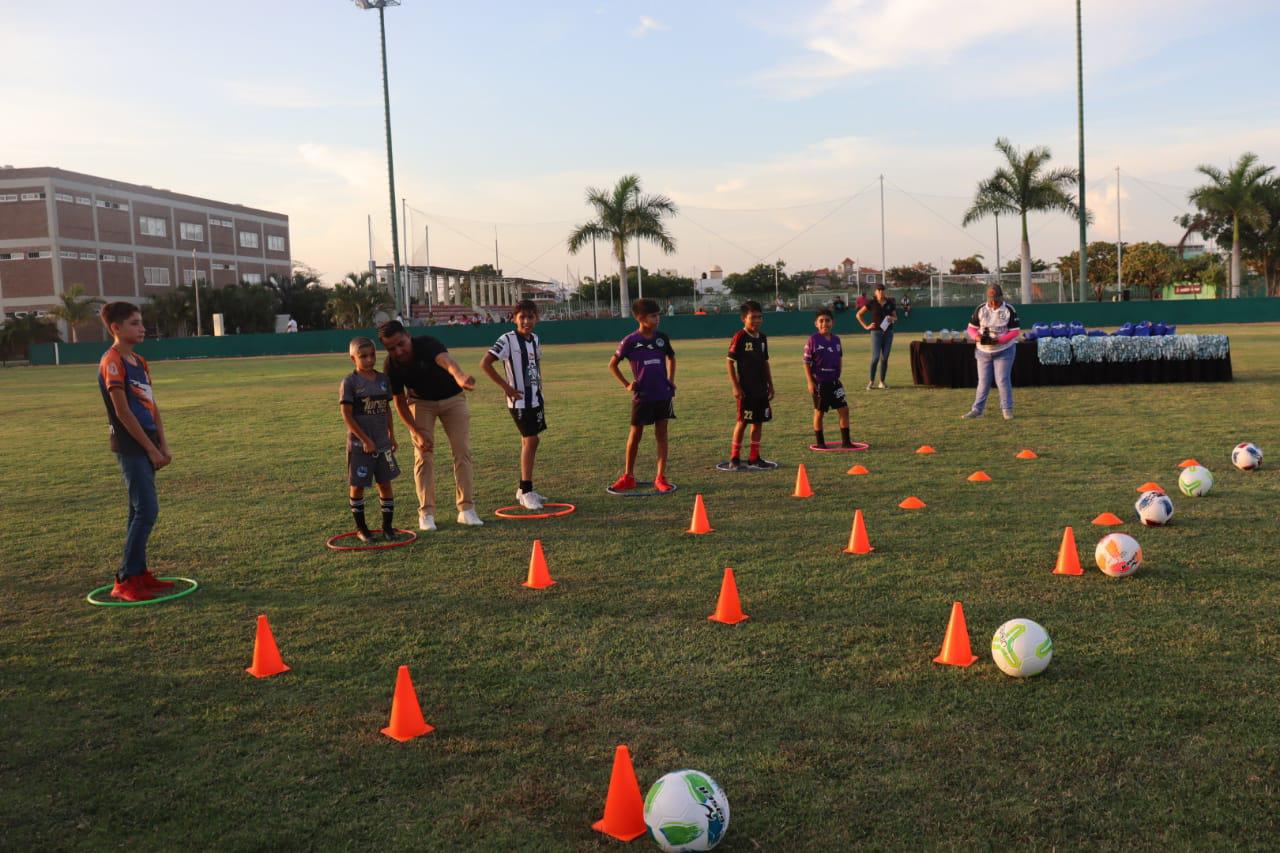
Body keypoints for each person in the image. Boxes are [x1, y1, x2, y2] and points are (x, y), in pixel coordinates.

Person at [97, 302, 172, 602]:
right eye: (134, 323)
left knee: (137, 509)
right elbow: (123, 412)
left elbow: (152, 407)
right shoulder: (112, 361)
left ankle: (139, 574)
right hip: (130, 446)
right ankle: (126, 579)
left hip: (148, 443)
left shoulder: (139, 362)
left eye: (141, 322)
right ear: (116, 328)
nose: (142, 328)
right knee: (147, 510)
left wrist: (162, 445)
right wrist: (150, 450)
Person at [378, 320, 481, 530]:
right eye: (391, 348)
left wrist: (460, 377)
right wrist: (415, 431)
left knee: (462, 451)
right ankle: (426, 513)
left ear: (408, 335)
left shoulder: (427, 344)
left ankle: (466, 509)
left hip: (453, 399)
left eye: (401, 344)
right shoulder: (391, 366)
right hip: (421, 403)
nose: (398, 351)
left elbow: (446, 361)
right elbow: (399, 402)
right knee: (423, 455)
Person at [480, 299, 548, 510]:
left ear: (536, 318)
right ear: (514, 318)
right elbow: (485, 363)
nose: (526, 321)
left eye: (530, 317)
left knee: (529, 441)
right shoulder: (507, 340)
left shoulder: (535, 339)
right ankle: (526, 491)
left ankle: (523, 488)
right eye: (522, 317)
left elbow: (535, 365)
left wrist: (539, 387)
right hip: (519, 401)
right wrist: (506, 387)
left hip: (535, 399)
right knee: (532, 440)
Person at [608, 298, 677, 492]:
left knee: (662, 434)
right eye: (653, 315)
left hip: (663, 394)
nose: (657, 318)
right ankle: (628, 476)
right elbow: (612, 365)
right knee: (635, 434)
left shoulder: (662, 338)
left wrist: (670, 379)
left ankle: (660, 477)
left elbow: (671, 357)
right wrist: (627, 384)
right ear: (640, 318)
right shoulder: (630, 341)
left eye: (658, 315)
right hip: (643, 396)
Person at [340, 337, 400, 541]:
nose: (369, 360)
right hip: (360, 446)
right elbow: (347, 415)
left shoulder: (383, 379)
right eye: (363, 356)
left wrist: (391, 434)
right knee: (357, 486)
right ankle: (362, 529)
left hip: (383, 443)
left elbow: (387, 409)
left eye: (372, 355)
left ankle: (387, 527)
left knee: (385, 483)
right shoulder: (350, 382)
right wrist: (364, 439)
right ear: (352, 358)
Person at [726, 300, 774, 469]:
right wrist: (735, 386)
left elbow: (765, 362)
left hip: (760, 388)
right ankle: (735, 457)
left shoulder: (762, 337)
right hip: (746, 389)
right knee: (743, 421)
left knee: (759, 421)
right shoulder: (740, 336)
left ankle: (754, 457)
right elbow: (730, 362)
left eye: (759, 317)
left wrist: (770, 384)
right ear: (744, 319)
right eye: (753, 317)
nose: (757, 321)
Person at [962, 284, 1021, 420]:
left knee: (1002, 380)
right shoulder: (981, 309)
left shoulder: (1009, 310)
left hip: (1004, 350)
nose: (993, 301)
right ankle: (977, 410)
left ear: (1001, 296)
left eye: (995, 298)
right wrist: (977, 337)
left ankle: (1007, 409)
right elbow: (971, 328)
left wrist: (1000, 340)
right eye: (990, 298)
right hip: (983, 351)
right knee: (983, 381)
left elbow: (1015, 331)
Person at [803, 308, 855, 449]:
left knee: (844, 409)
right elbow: (806, 363)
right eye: (821, 321)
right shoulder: (813, 340)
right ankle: (820, 443)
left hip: (835, 383)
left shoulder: (837, 340)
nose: (824, 323)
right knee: (819, 413)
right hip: (820, 383)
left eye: (827, 320)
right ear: (816, 324)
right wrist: (810, 382)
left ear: (832, 322)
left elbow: (839, 358)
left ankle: (846, 442)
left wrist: (838, 375)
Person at [855, 282, 897, 390]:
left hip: (888, 333)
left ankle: (882, 382)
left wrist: (891, 319)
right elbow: (858, 314)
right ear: (875, 292)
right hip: (876, 333)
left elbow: (895, 317)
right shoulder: (871, 303)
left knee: (885, 357)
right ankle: (871, 382)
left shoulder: (890, 303)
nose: (881, 292)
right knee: (875, 358)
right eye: (878, 290)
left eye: (882, 290)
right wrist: (866, 326)